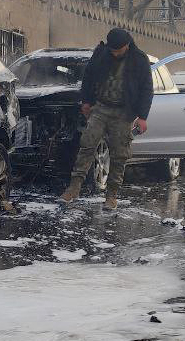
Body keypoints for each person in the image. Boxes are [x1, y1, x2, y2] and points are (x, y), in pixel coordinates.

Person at [60, 28, 153, 210]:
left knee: (119, 155)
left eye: (118, 50)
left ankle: (112, 195)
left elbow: (147, 89)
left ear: (127, 45)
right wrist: (86, 101)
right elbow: (88, 77)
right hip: (100, 107)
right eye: (112, 50)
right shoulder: (102, 54)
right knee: (87, 145)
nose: (115, 53)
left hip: (123, 112)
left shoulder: (139, 60)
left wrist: (143, 116)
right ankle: (74, 188)